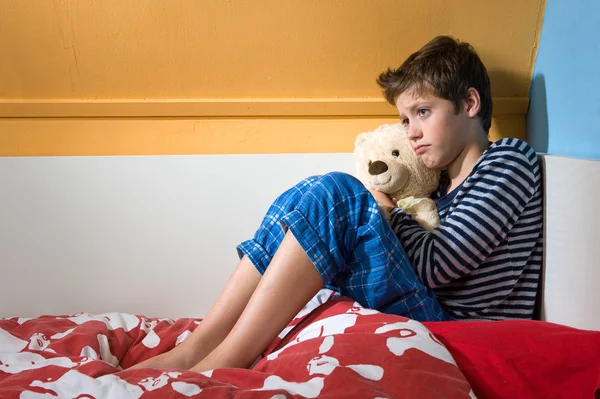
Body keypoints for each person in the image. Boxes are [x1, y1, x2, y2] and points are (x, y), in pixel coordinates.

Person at [131, 35, 543, 373]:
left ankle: (223, 359)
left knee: (340, 194)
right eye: (405, 120)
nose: (412, 132)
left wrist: (384, 209)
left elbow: (440, 264)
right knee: (312, 193)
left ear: (470, 104)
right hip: (430, 306)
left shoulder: (507, 159)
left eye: (423, 111)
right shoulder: (435, 187)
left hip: (462, 333)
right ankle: (203, 342)